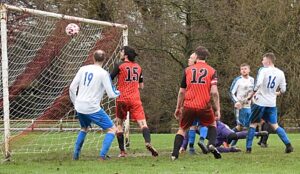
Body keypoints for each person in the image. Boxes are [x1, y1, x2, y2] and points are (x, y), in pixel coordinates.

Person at [171, 46, 221, 160]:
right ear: (206, 57)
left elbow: (181, 92)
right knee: (212, 124)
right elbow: (214, 92)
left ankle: (174, 154)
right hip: (204, 105)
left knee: (182, 129)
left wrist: (178, 107)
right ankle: (211, 144)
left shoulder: (187, 70)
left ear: (196, 57)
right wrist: (217, 108)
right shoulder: (212, 71)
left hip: (188, 105)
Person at [69, 50, 119, 160]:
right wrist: (118, 93)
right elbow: (111, 94)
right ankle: (102, 156)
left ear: (93, 58)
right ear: (104, 59)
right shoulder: (103, 73)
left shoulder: (83, 69)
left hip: (80, 106)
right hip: (92, 108)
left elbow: (72, 87)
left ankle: (75, 156)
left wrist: (75, 103)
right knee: (112, 129)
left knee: (84, 128)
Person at [110, 46, 158, 157]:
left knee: (119, 124)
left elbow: (109, 78)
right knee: (143, 123)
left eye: (121, 52)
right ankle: (148, 142)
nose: (120, 53)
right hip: (135, 99)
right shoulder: (138, 67)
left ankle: (122, 152)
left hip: (122, 98)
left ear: (125, 55)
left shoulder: (119, 65)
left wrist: (113, 89)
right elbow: (141, 86)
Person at [246, 52, 293, 153]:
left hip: (260, 102)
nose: (262, 62)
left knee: (253, 124)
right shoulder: (280, 72)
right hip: (272, 103)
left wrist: (251, 94)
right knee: (275, 125)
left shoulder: (263, 70)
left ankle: (248, 148)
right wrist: (276, 93)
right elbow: (283, 89)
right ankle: (288, 145)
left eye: (263, 60)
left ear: (268, 61)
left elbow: (258, 83)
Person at [229, 63, 254, 146]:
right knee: (240, 127)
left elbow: (254, 92)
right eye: (242, 69)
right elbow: (231, 92)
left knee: (248, 127)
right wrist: (236, 102)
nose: (243, 70)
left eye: (245, 69)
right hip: (240, 107)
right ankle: (226, 140)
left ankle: (232, 144)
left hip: (249, 106)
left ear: (249, 70)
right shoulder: (238, 80)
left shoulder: (252, 80)